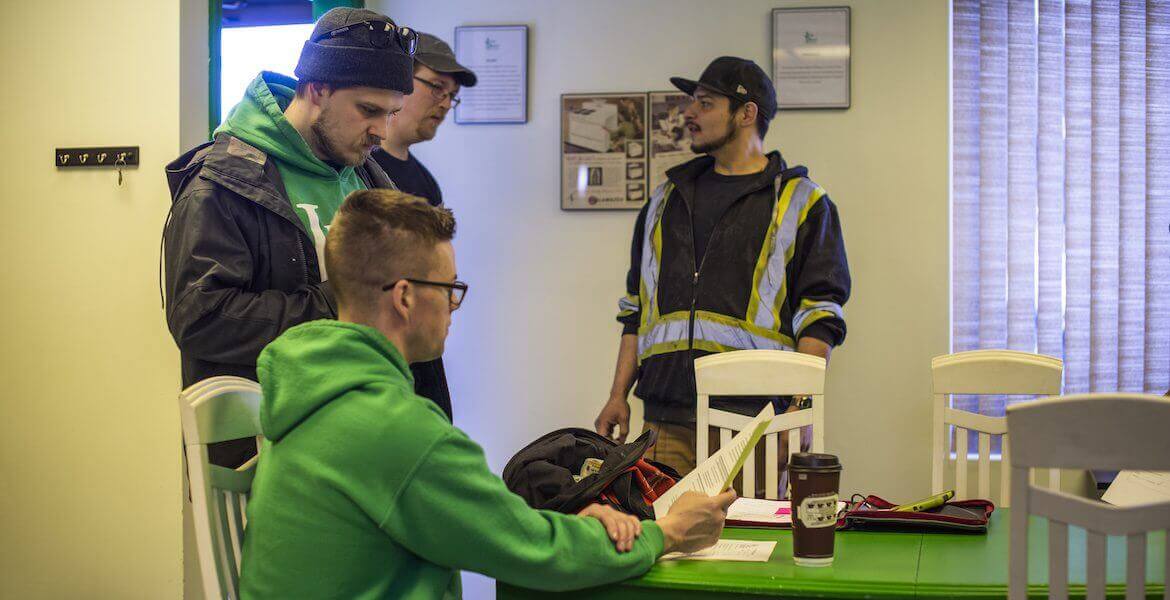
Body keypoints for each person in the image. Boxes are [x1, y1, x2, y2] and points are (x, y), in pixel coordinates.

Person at [238, 190, 735, 598]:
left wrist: (567, 524)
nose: (454, 306)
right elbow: (533, 556)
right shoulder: (395, 428)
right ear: (406, 296)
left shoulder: (313, 391)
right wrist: (667, 531)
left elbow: (502, 526)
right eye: (449, 288)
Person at [163, 7, 414, 464]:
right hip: (267, 455)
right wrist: (341, 301)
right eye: (368, 110)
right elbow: (200, 318)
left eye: (392, 113)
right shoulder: (222, 182)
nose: (382, 130)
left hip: (364, 439)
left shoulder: (368, 178)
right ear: (317, 90)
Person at [595, 57, 852, 489]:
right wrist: (617, 395)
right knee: (669, 548)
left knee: (752, 546)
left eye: (706, 103)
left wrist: (799, 408)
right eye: (692, 102)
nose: (689, 114)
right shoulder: (664, 201)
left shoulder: (803, 203)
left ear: (747, 113)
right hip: (665, 419)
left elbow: (820, 315)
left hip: (753, 421)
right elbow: (635, 309)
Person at [372, 31, 477, 420]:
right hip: (380, 362)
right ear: (401, 79)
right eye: (436, 87)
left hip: (423, 358)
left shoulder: (426, 182)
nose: (445, 103)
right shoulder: (359, 170)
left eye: (451, 95)